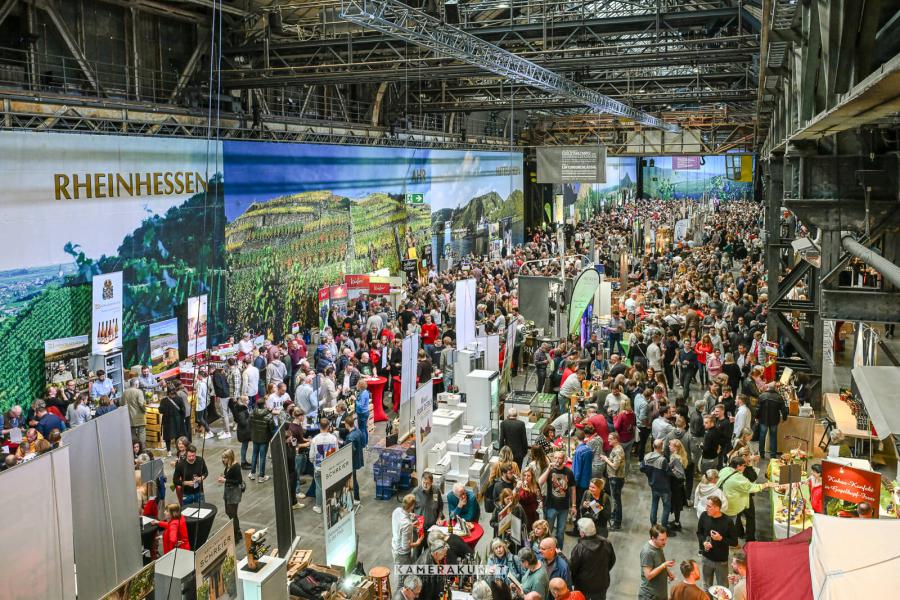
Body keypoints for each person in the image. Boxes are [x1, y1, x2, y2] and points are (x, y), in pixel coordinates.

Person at [718, 455, 777, 524]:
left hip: (722, 501)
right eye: (744, 466)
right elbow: (751, 487)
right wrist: (766, 485)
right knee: (731, 524)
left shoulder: (725, 469)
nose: (745, 467)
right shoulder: (738, 479)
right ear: (738, 466)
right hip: (731, 506)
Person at [569, 518, 615, 600]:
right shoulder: (606, 543)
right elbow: (612, 561)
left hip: (583, 587)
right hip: (601, 584)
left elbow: (573, 568)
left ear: (582, 533)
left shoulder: (579, 549)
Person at [538, 451, 577, 550]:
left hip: (564, 507)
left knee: (560, 531)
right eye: (555, 458)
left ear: (564, 460)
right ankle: (547, 550)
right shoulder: (550, 470)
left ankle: (558, 551)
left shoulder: (569, 472)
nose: (557, 460)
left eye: (559, 458)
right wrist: (548, 469)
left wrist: (573, 506)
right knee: (548, 531)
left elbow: (573, 489)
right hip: (551, 506)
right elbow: (539, 482)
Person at [697, 496, 737, 587]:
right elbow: (699, 533)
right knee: (706, 586)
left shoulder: (728, 522)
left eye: (709, 506)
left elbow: (734, 542)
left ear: (717, 508)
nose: (706, 508)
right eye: (706, 506)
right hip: (706, 558)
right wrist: (703, 542)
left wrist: (721, 539)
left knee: (723, 587)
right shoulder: (704, 516)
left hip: (721, 561)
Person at [640, 439, 673, 532]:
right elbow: (669, 473)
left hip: (653, 485)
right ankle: (663, 528)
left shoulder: (647, 456)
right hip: (664, 487)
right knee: (666, 507)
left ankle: (653, 525)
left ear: (653, 446)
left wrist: (649, 474)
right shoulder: (662, 460)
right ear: (661, 447)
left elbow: (641, 468)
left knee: (654, 504)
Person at [309, 418, 340, 513]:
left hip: (319, 468)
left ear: (319, 426)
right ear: (328, 426)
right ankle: (331, 505)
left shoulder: (315, 440)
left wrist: (314, 463)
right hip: (331, 467)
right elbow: (337, 453)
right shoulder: (334, 439)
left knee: (319, 487)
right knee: (331, 486)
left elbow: (311, 456)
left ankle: (319, 506)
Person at [639, 525, 675, 600]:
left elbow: (660, 561)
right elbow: (648, 576)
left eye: (665, 538)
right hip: (650, 595)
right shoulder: (647, 552)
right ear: (653, 538)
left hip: (660, 592)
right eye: (662, 540)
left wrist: (668, 572)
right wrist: (663, 565)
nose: (665, 542)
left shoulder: (658, 545)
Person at [392, 494, 425, 573]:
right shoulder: (407, 524)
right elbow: (405, 547)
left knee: (400, 573)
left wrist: (410, 516)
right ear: (412, 506)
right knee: (403, 578)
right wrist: (418, 542)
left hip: (395, 547)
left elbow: (400, 525)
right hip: (402, 555)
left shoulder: (397, 510)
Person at [217, 448, 243, 539]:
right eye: (222, 458)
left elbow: (238, 481)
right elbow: (229, 476)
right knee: (228, 512)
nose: (223, 460)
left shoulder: (236, 467)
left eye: (225, 458)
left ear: (230, 457)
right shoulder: (228, 465)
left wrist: (225, 480)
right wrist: (225, 477)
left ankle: (237, 533)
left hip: (234, 493)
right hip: (228, 491)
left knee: (233, 514)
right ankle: (237, 530)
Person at [756, 382, 787, 459]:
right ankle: (773, 455)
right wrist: (784, 418)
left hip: (763, 420)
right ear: (775, 388)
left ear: (768, 388)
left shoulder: (762, 396)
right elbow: (784, 409)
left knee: (762, 437)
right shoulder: (779, 397)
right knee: (773, 437)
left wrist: (756, 417)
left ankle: (761, 453)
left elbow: (758, 409)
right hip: (774, 420)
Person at [602, 432, 626, 531]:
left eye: (611, 439)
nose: (608, 440)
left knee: (616, 501)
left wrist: (606, 459)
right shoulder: (616, 449)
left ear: (616, 439)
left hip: (616, 478)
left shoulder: (618, 450)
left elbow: (615, 466)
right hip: (614, 478)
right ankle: (614, 515)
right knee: (615, 500)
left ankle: (617, 523)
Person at [249, 402, 275, 483]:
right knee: (262, 457)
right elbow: (272, 427)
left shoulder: (252, 413)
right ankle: (261, 476)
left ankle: (252, 474)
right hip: (264, 439)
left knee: (254, 455)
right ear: (264, 405)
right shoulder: (269, 415)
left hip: (255, 437)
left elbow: (250, 424)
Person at [343, 413, 365, 502]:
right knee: (354, 478)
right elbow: (363, 443)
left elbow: (349, 452)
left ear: (347, 424)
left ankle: (356, 498)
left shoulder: (350, 437)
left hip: (352, 461)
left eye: (345, 424)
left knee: (353, 479)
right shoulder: (358, 432)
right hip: (358, 458)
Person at [571, 430, 594, 501]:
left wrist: (574, 483)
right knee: (588, 499)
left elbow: (577, 471)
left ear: (576, 438)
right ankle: (595, 510)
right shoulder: (589, 449)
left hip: (580, 483)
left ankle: (581, 512)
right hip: (587, 480)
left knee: (580, 502)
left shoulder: (578, 452)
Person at [123, 378, 146, 444]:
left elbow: (122, 403)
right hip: (139, 417)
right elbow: (141, 404)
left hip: (129, 417)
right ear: (136, 384)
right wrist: (144, 410)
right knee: (141, 433)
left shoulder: (125, 392)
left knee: (132, 435)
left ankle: (134, 450)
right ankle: (142, 450)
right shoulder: (139, 392)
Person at [233, 396, 252, 469]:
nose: (248, 401)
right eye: (246, 400)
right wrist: (250, 418)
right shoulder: (242, 410)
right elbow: (243, 422)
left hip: (244, 431)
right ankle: (243, 462)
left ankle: (244, 461)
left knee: (245, 446)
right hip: (243, 432)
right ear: (243, 401)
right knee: (244, 446)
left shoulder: (242, 408)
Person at [353, 379, 371, 446]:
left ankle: (363, 444)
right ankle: (366, 442)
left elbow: (360, 405)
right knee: (364, 428)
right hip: (365, 412)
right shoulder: (365, 391)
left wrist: (355, 400)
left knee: (362, 429)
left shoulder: (363, 394)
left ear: (360, 386)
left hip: (362, 413)